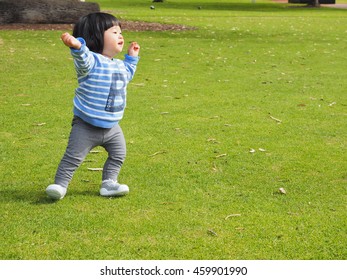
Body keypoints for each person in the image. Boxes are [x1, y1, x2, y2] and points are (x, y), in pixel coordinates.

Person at [46, 12, 140, 200]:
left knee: (119, 154)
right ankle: (60, 185)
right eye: (114, 32)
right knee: (73, 157)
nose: (120, 36)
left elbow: (127, 74)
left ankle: (109, 183)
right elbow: (83, 58)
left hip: (113, 127)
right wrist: (77, 46)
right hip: (86, 125)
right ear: (96, 37)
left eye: (120, 32)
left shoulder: (119, 65)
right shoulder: (91, 63)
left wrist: (131, 58)